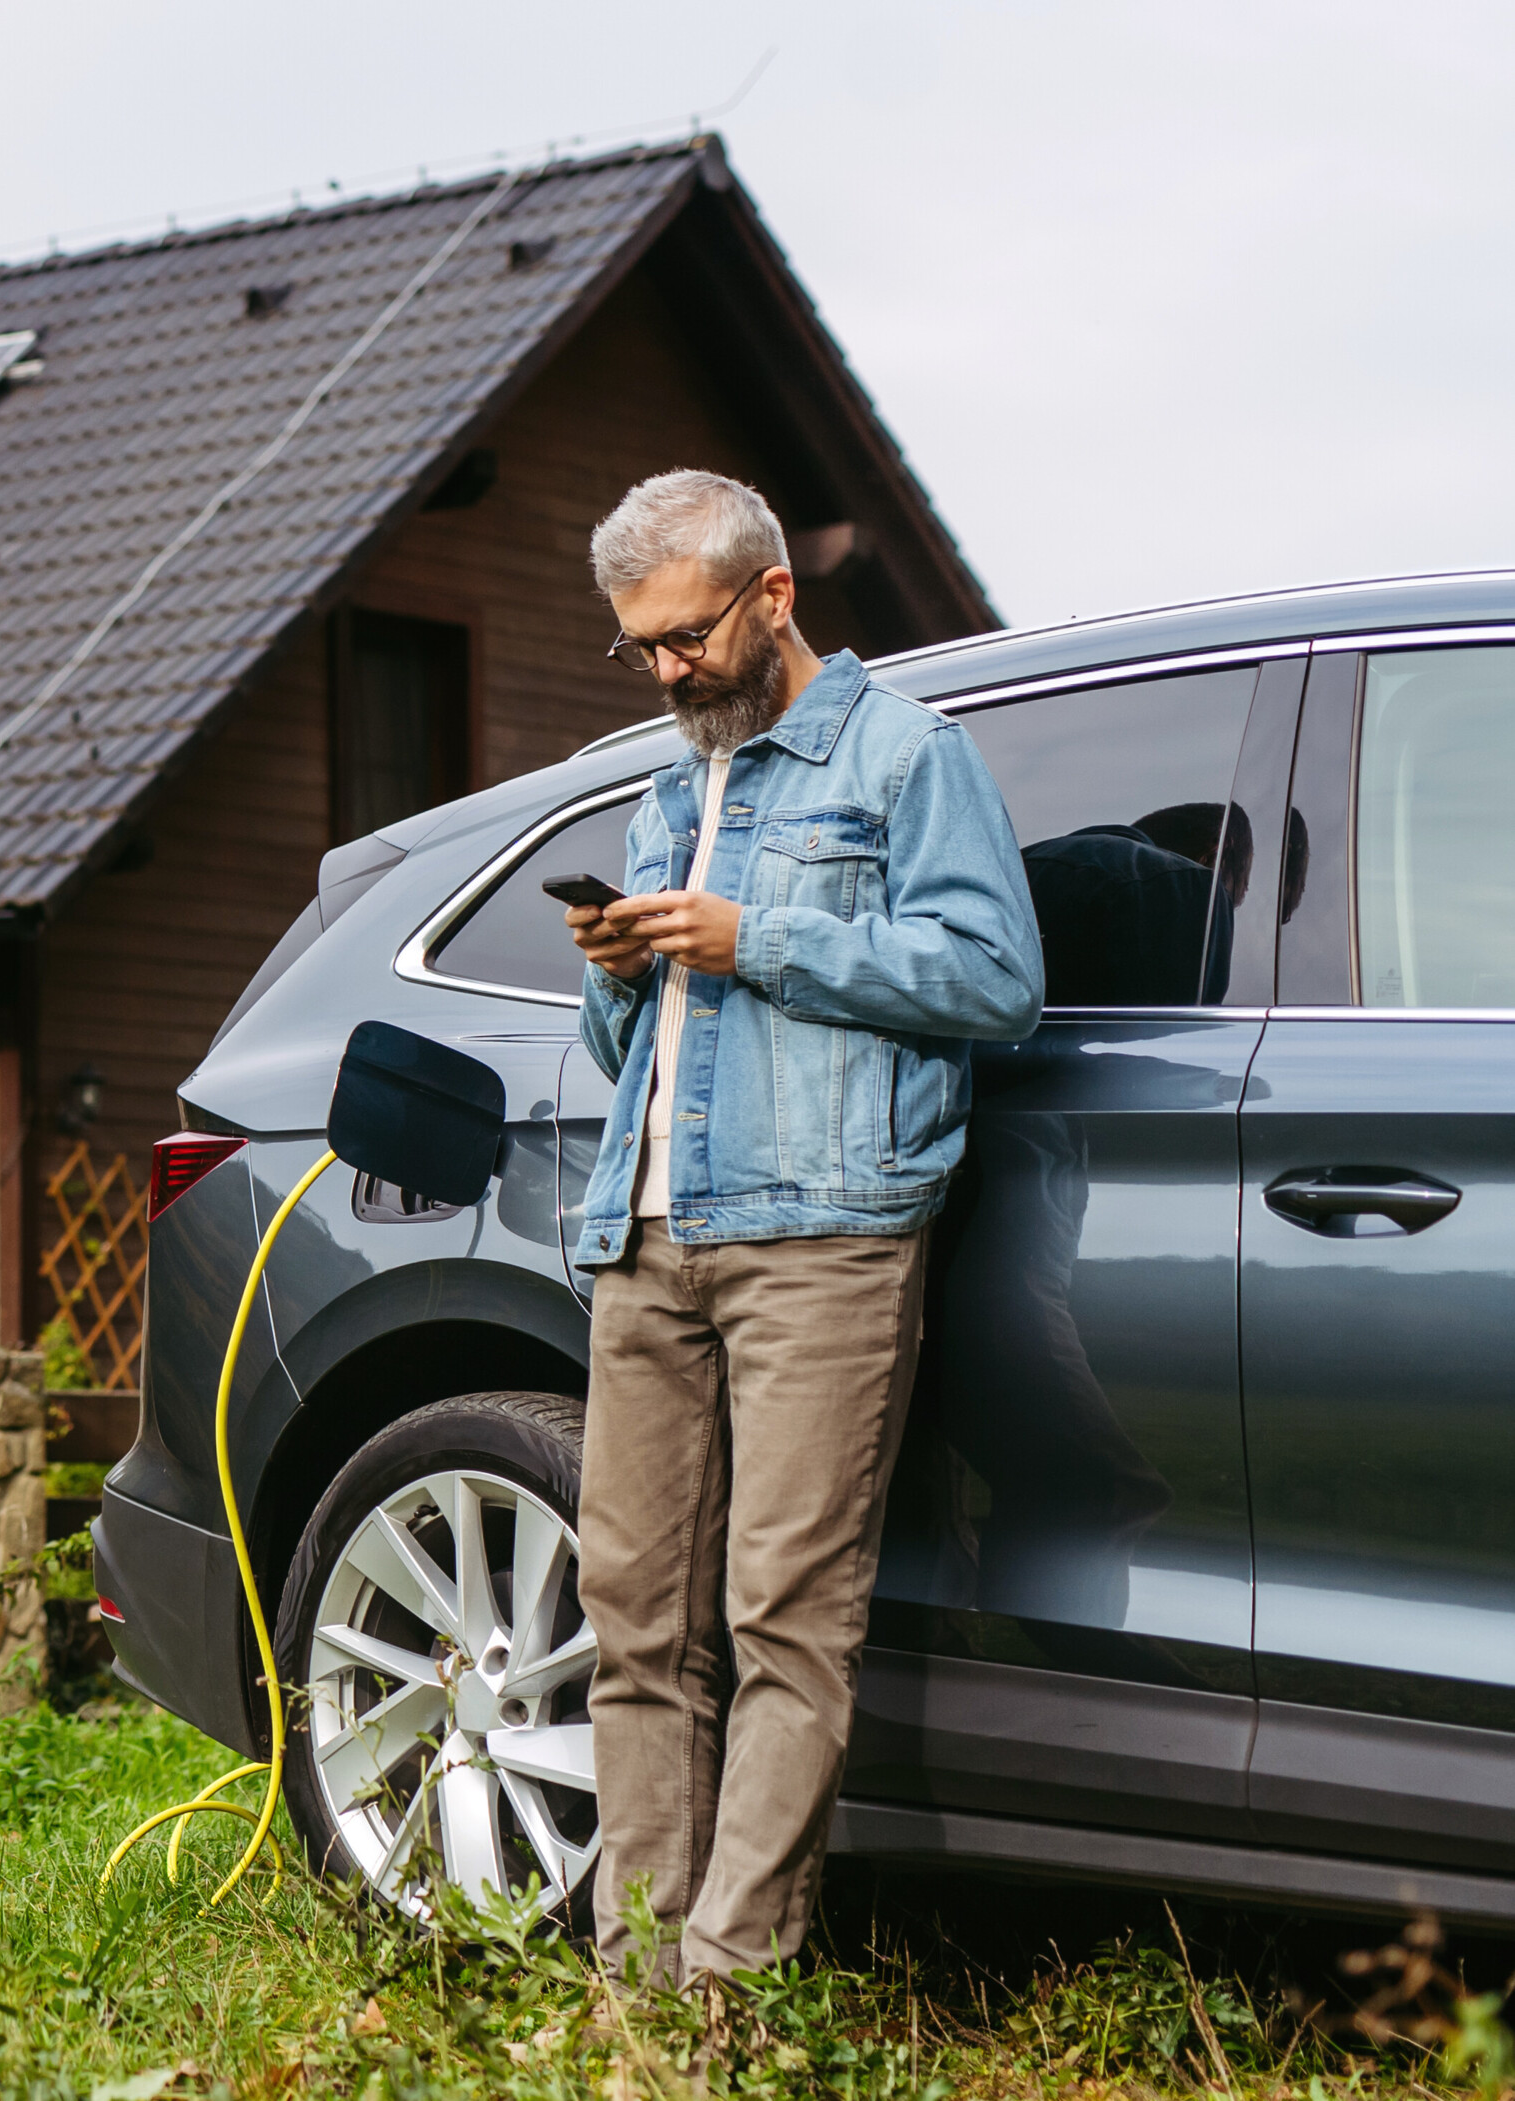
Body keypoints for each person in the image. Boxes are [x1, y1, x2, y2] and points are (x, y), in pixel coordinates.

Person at [564, 470, 1043, 1986]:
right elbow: (615, 1047)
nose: (665, 671)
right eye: (638, 647)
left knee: (785, 1621)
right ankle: (632, 1987)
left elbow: (993, 979)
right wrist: (619, 965)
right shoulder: (665, 791)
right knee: (634, 1623)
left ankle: (724, 1995)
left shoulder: (908, 758)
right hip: (647, 1238)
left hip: (825, 1237)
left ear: (774, 596)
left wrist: (753, 936)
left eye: (685, 637)